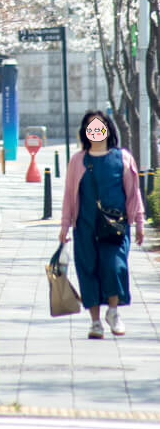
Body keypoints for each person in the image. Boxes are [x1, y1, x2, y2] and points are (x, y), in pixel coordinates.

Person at [59, 110, 144, 340]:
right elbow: (69, 195)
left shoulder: (123, 158)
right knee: (88, 271)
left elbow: (133, 193)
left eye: (99, 127)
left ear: (108, 129)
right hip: (85, 227)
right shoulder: (78, 160)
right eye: (90, 127)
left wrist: (138, 222)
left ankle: (113, 312)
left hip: (115, 226)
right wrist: (65, 226)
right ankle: (95, 322)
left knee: (115, 267)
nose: (95, 131)